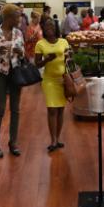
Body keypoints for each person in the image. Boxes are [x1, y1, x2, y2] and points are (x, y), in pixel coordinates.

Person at [0, 4, 24, 158]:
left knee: (15, 109)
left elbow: (23, 53)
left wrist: (20, 52)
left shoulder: (18, 33)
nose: (19, 19)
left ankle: (13, 142)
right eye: (17, 16)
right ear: (8, 18)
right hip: (0, 73)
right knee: (0, 108)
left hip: (15, 72)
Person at [35, 18, 71, 152]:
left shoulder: (64, 42)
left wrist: (69, 56)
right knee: (52, 109)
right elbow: (37, 64)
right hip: (49, 80)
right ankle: (53, 140)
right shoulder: (40, 44)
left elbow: (69, 60)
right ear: (43, 28)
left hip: (63, 79)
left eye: (51, 25)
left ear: (56, 27)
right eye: (46, 26)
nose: (49, 28)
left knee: (61, 110)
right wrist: (47, 59)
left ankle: (58, 137)